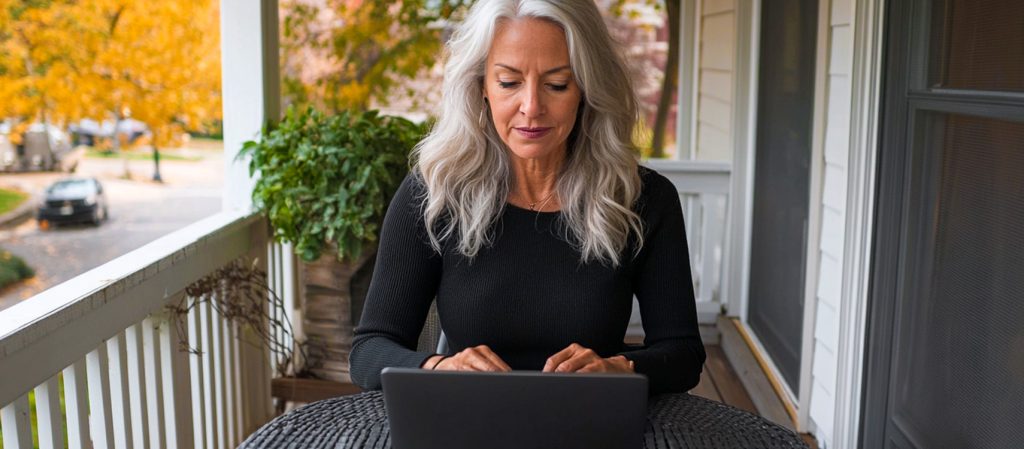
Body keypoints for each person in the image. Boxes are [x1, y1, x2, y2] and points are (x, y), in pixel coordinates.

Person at [350, 0, 705, 395]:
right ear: (480, 85)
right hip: (468, 424)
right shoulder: (433, 194)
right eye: (508, 82)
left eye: (557, 84)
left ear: (586, 90)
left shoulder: (644, 199)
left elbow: (684, 355)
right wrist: (439, 366)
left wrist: (621, 367)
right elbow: (368, 352)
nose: (531, 107)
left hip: (590, 424)